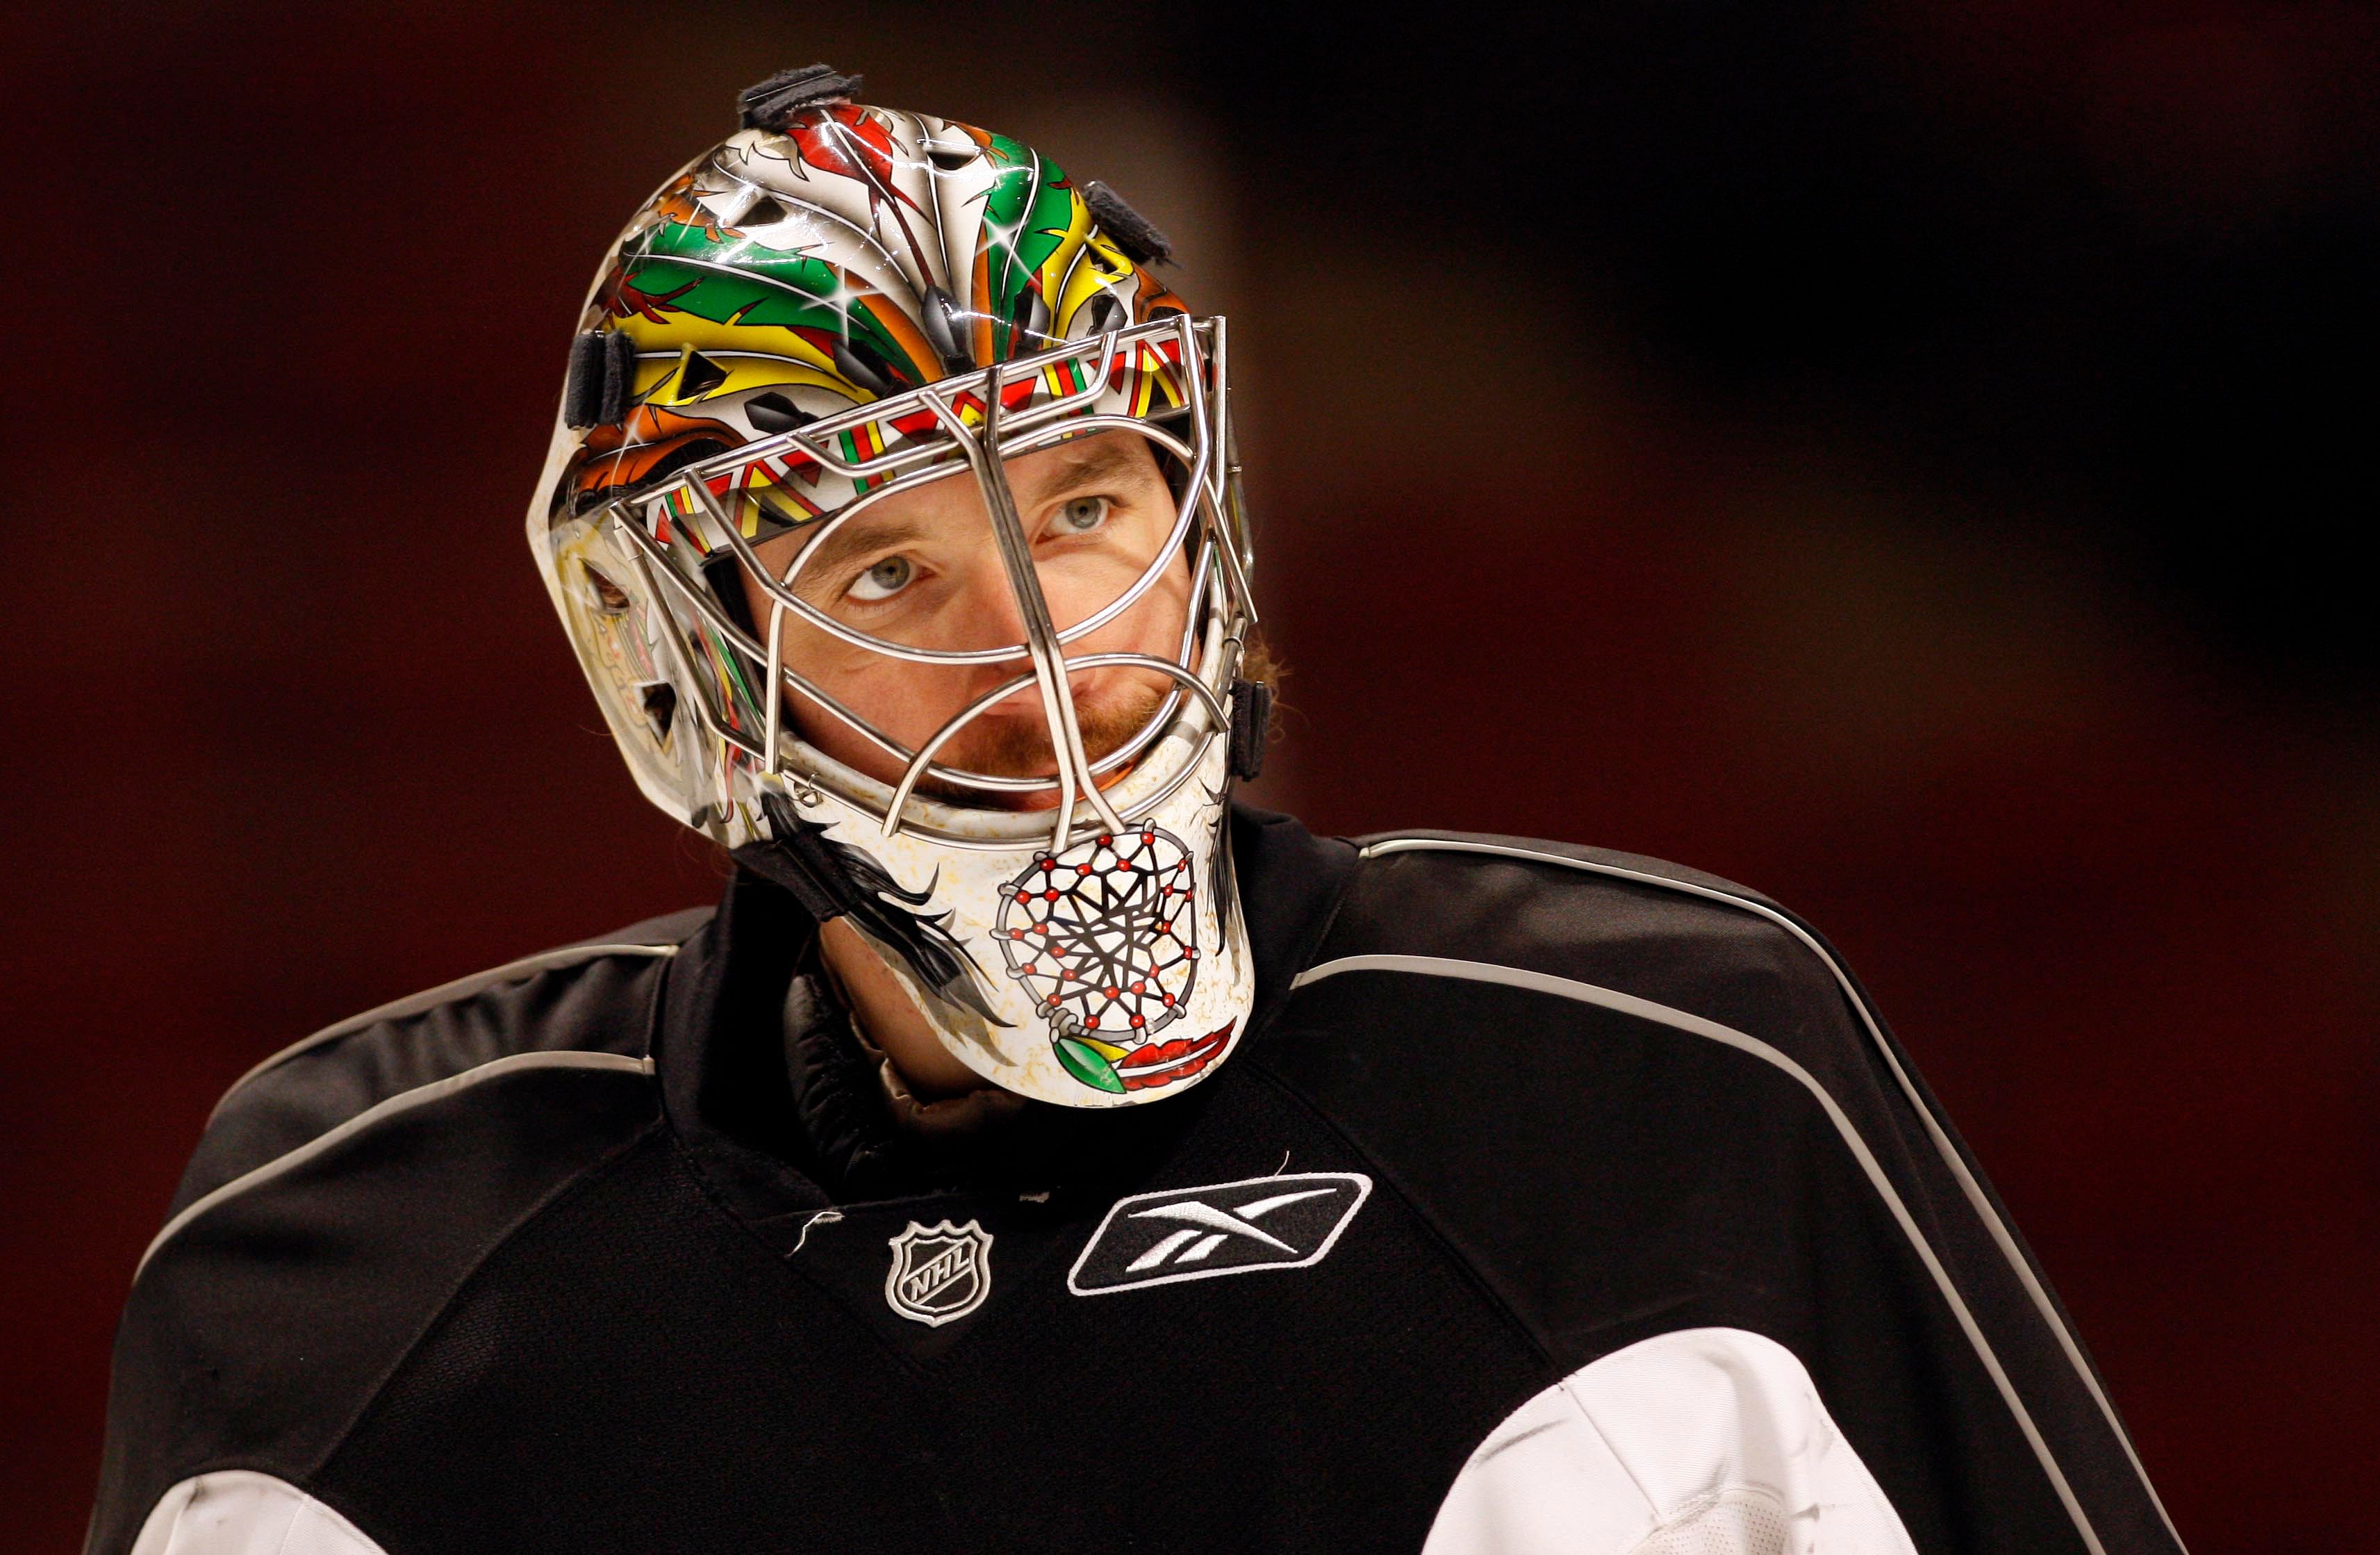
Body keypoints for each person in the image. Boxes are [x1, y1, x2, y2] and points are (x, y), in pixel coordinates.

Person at [88, 67, 2185, 1555]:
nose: (1044, 651)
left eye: (1086, 509)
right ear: (680, 663)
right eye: (886, 570)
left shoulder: (1678, 1080)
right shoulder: (338, 1260)